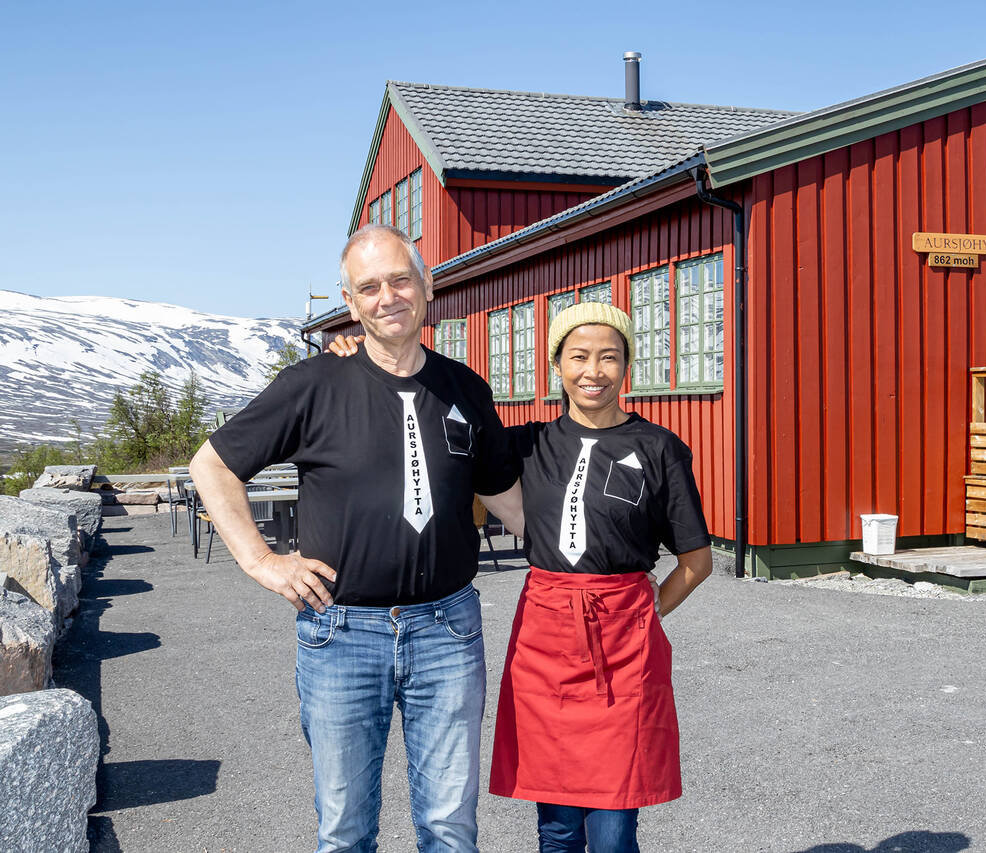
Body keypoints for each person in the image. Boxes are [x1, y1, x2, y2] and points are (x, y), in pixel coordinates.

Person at [330, 300, 712, 852]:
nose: (593, 371)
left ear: (627, 365)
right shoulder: (524, 444)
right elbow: (442, 435)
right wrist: (363, 353)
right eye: (578, 356)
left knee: (613, 828)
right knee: (555, 824)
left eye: (609, 357)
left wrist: (646, 609)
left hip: (625, 650)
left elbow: (695, 561)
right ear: (558, 366)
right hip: (546, 641)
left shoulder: (659, 450)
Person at [189, 224, 521, 853]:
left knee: (451, 827)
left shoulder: (466, 389)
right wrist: (262, 561)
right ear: (350, 303)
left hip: (448, 632)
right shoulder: (313, 384)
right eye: (369, 287)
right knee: (344, 831)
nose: (387, 296)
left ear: (427, 286)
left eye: (400, 279)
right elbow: (213, 464)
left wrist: (595, 564)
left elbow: (510, 498)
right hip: (341, 633)